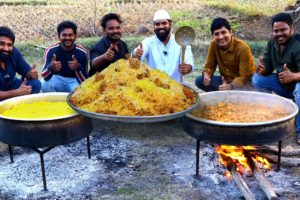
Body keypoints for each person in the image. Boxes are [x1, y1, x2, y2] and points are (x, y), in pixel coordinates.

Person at [252, 13, 300, 144]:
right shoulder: (272, 43)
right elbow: (267, 66)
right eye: (276, 31)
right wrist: (263, 68)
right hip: (283, 85)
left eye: (283, 30)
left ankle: (299, 129)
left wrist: (294, 76)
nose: (279, 34)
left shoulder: (298, 44)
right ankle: (270, 114)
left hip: (297, 87)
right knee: (257, 79)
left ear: (292, 28)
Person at [132, 9, 194, 82]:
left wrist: (187, 68)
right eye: (157, 24)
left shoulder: (181, 42)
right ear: (154, 26)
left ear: (170, 24)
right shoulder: (148, 42)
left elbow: (188, 61)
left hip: (177, 86)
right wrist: (136, 55)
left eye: (164, 23)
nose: (161, 26)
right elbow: (135, 57)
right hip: (156, 87)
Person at [195, 17, 255, 91]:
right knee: (200, 80)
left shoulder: (243, 48)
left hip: (243, 84)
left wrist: (230, 86)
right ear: (213, 36)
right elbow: (209, 66)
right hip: (225, 81)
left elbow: (244, 77)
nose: (220, 37)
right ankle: (223, 95)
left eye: (223, 32)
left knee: (241, 90)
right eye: (216, 34)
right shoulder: (213, 45)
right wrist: (206, 75)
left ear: (230, 32)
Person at [41, 21, 88, 92]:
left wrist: (77, 68)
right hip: (57, 78)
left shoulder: (82, 52)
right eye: (64, 35)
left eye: (70, 35)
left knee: (82, 91)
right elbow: (44, 76)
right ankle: (54, 102)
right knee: (44, 85)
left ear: (75, 36)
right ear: (59, 36)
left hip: (74, 80)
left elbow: (85, 81)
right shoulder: (51, 50)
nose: (67, 38)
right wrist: (51, 68)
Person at [0, 26, 41, 101]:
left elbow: (26, 71)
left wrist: (31, 74)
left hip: (10, 84)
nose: (6, 48)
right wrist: (16, 93)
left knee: (35, 84)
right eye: (2, 44)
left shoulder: (13, 52)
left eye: (9, 45)